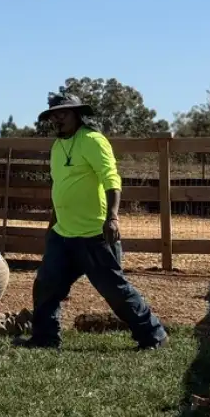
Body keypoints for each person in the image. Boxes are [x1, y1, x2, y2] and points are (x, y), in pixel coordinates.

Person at [24, 93, 167, 351]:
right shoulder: (57, 147)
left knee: (115, 290)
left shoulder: (93, 140)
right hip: (63, 234)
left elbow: (111, 179)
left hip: (94, 234)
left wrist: (112, 217)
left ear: (77, 114)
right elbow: (60, 187)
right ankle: (45, 338)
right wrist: (52, 226)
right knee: (46, 285)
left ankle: (152, 335)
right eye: (54, 114)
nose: (58, 119)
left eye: (63, 113)